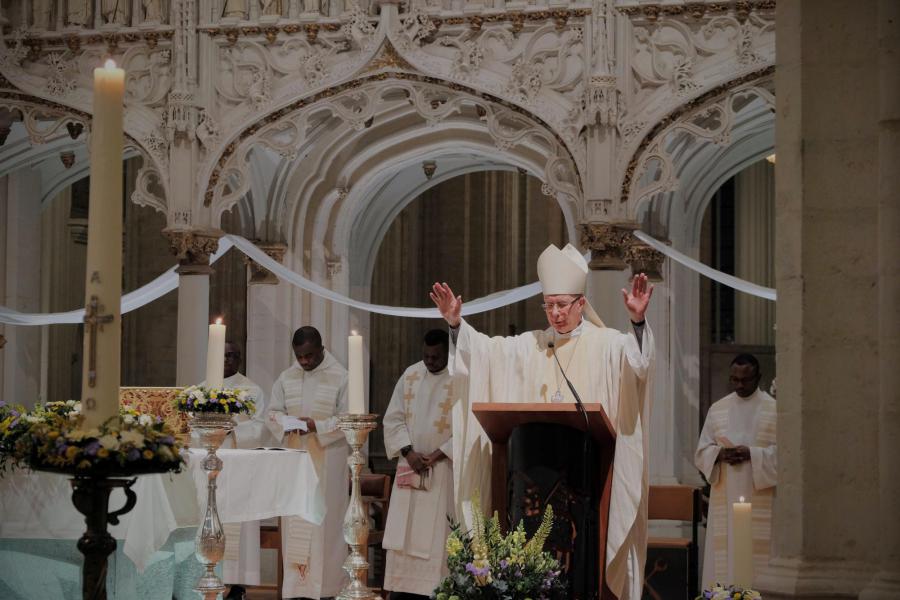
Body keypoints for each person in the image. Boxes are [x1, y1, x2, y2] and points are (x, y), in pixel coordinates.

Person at [429, 243, 655, 600]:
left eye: (562, 305)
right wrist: (456, 323)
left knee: (578, 561)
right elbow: (483, 353)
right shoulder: (529, 346)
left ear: (581, 303)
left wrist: (638, 322)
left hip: (584, 477)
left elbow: (639, 365)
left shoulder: (607, 345)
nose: (555, 313)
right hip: (529, 476)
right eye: (548, 305)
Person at [267, 326, 349, 599]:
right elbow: (272, 413)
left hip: (328, 464)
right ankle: (297, 589)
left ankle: (326, 589)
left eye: (310, 356)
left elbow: (349, 419)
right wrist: (285, 423)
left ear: (322, 349)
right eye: (299, 356)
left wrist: (317, 426)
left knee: (325, 526)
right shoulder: (286, 377)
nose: (304, 362)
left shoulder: (340, 377)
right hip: (295, 462)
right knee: (295, 523)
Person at [382, 329, 460, 599]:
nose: (430, 361)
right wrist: (409, 452)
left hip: (443, 470)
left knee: (437, 534)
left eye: (436, 357)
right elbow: (393, 419)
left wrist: (440, 453)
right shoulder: (411, 375)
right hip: (410, 465)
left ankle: (434, 590)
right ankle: (402, 591)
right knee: (405, 530)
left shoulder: (460, 377)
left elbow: (468, 425)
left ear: (447, 353)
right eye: (426, 356)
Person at [694, 354, 776, 588]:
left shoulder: (774, 410)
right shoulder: (718, 409)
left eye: (746, 380)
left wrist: (752, 454)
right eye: (735, 380)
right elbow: (701, 452)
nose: (740, 385)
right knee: (726, 559)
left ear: (758, 377)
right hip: (725, 498)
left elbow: (786, 457)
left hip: (760, 494)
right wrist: (720, 454)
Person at [204, 342, 269, 600]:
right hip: (210, 468)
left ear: (240, 359)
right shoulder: (202, 390)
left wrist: (233, 428)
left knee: (240, 524)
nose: (228, 360)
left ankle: (239, 585)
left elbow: (261, 427)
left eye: (233, 356)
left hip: (240, 468)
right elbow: (191, 427)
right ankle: (210, 576)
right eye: (224, 355)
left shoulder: (252, 391)